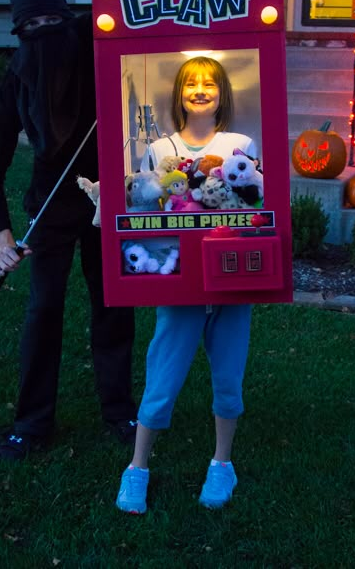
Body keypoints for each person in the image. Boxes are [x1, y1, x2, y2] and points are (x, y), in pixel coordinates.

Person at [0, 0, 137, 461]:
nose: (45, 31)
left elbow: (131, 11)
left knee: (112, 305)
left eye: (54, 20)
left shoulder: (95, 46)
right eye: (33, 25)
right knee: (43, 310)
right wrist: (5, 242)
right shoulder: (17, 77)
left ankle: (119, 411)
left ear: (68, 19)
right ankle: (31, 423)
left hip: (105, 199)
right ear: (20, 33)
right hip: (49, 204)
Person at [115, 55, 259, 513]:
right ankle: (137, 467)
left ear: (223, 93)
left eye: (210, 82)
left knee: (229, 373)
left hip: (230, 273)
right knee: (164, 370)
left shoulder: (241, 143)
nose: (200, 89)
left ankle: (222, 463)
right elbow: (141, 210)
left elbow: (256, 203)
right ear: (179, 93)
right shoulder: (159, 149)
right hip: (177, 274)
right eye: (191, 83)